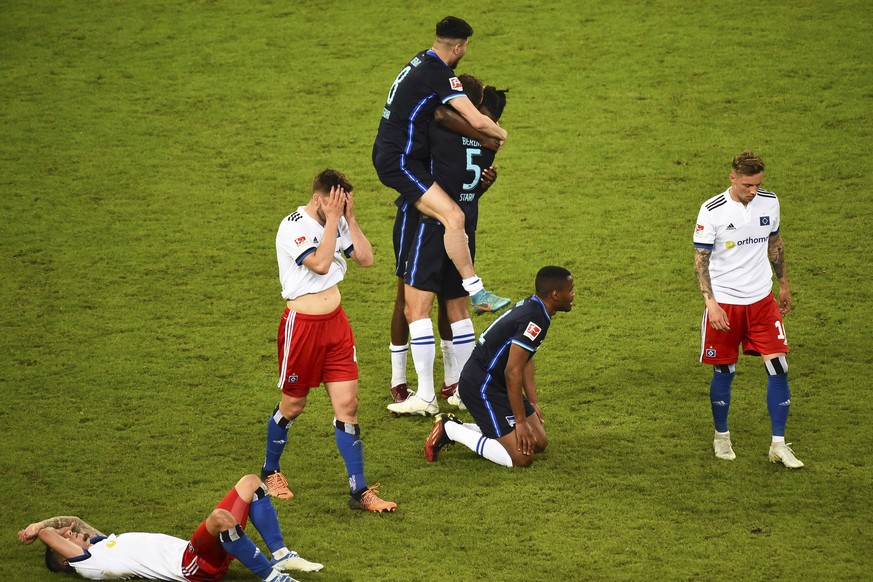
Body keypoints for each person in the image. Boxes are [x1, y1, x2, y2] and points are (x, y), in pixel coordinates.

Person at [261, 169, 397, 512]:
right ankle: (270, 471)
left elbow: (365, 258)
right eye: (335, 201)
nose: (339, 206)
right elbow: (320, 264)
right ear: (319, 198)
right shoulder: (292, 225)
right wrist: (334, 218)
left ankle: (359, 491)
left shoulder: (337, 218)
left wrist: (349, 219)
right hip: (302, 328)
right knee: (293, 405)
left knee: (348, 407)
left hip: (336, 326)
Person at [373, 15, 510, 326]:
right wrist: (500, 135)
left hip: (394, 155)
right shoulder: (439, 72)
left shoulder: (421, 60)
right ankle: (477, 293)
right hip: (400, 160)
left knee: (447, 216)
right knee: (454, 216)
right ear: (459, 48)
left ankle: (475, 291)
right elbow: (474, 119)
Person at [389, 80, 508, 416]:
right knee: (457, 310)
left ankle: (424, 394)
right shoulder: (488, 146)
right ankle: (466, 388)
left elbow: (438, 114)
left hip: (430, 226)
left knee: (415, 307)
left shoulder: (441, 129)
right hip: (465, 229)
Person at [692, 151, 803, 468]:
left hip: (761, 302)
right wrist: (710, 303)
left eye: (757, 184)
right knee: (725, 370)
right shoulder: (712, 211)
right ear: (732, 178)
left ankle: (778, 445)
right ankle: (721, 436)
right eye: (747, 185)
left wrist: (782, 284)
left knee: (779, 367)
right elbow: (701, 261)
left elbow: (775, 244)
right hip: (724, 303)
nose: (753, 191)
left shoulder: (770, 202)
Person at [17, 474, 321, 581]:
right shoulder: (89, 565)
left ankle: (280, 555)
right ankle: (271, 576)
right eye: (68, 538)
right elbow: (47, 535)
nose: (73, 531)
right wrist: (42, 531)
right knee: (218, 518)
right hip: (192, 567)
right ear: (66, 556)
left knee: (251, 483)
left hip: (199, 554)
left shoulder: (99, 545)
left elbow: (72, 520)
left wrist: (49, 524)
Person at [425, 266, 575, 467]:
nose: (573, 294)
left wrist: (532, 401)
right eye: (570, 289)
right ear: (555, 295)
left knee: (539, 442)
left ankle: (480, 429)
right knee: (522, 457)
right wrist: (520, 423)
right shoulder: (536, 319)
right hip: (481, 386)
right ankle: (449, 428)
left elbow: (526, 359)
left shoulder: (537, 308)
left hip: (497, 381)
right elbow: (512, 371)